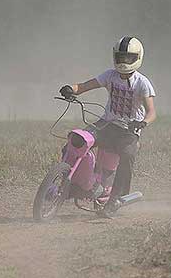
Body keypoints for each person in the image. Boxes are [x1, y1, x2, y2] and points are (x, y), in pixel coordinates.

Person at [59, 36, 156, 215]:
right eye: (121, 57)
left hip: (129, 130)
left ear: (138, 57)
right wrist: (70, 89)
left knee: (127, 155)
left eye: (129, 58)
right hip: (106, 124)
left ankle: (116, 198)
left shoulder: (142, 82)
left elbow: (152, 112)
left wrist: (142, 123)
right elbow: (84, 86)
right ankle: (69, 183)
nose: (124, 62)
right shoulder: (109, 75)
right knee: (75, 141)